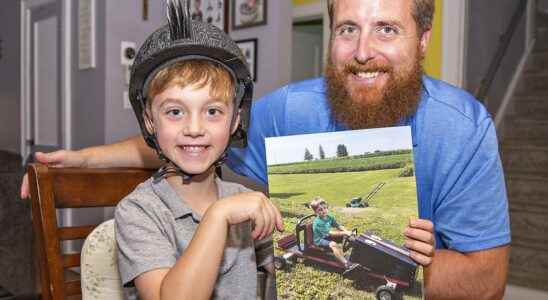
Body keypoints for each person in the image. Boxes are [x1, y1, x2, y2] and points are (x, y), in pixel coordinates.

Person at [21, 0, 509, 298]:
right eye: (347, 29)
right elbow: (193, 143)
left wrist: (406, 262)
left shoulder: (462, 129)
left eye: (386, 28)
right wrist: (81, 159)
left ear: (423, 39)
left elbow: (487, 283)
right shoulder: (288, 111)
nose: (363, 51)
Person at [113, 2, 282, 299]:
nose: (194, 127)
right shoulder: (139, 212)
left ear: (235, 120)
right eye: (175, 112)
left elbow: (296, 270)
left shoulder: (242, 200)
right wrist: (218, 216)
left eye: (213, 111)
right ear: (150, 121)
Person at [309, 197, 354, 269]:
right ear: (315, 212)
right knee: (333, 244)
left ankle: (341, 253)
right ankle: (345, 263)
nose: (324, 211)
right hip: (320, 239)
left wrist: (347, 231)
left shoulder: (329, 216)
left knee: (345, 236)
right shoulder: (318, 223)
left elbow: (337, 225)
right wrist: (345, 233)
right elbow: (330, 233)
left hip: (326, 235)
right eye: (320, 210)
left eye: (325, 208)